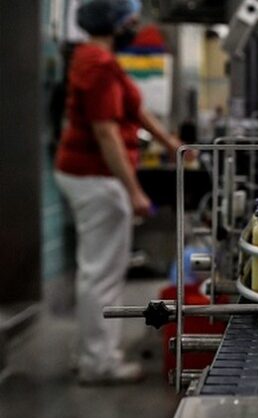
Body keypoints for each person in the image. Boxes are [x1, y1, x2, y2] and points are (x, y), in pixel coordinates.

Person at [55, 0, 183, 384]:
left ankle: (91, 353)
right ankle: (99, 363)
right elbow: (106, 132)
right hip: (96, 178)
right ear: (112, 22)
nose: (134, 25)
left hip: (86, 174)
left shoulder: (93, 56)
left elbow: (133, 109)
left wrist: (171, 142)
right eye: (128, 18)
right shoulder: (99, 64)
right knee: (102, 275)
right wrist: (134, 191)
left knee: (96, 271)